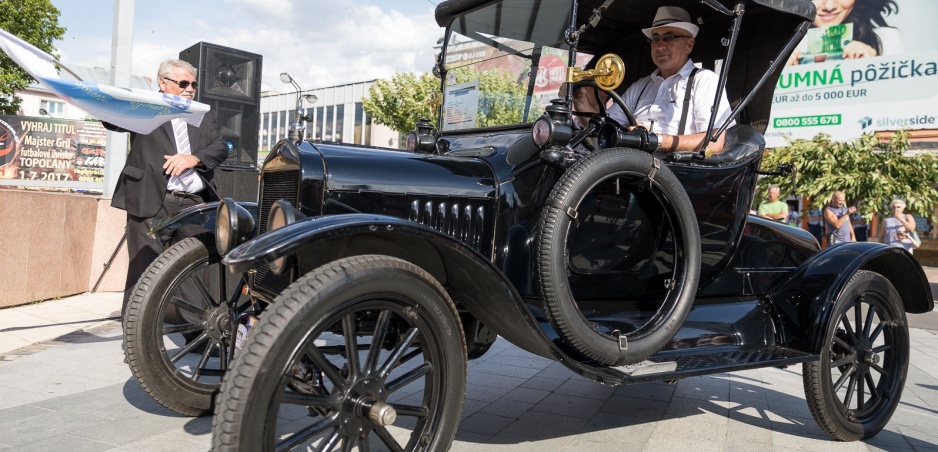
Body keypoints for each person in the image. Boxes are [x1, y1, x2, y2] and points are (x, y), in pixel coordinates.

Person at [104, 59, 228, 321]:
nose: (190, 89)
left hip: (195, 202)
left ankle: (199, 333)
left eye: (193, 84)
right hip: (150, 199)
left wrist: (192, 158)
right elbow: (112, 121)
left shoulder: (203, 112)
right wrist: (93, 100)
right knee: (145, 271)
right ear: (163, 83)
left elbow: (220, 147)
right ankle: (137, 337)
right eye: (183, 83)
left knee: (195, 271)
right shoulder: (146, 108)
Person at [573, 6, 735, 154]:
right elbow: (605, 131)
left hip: (675, 175)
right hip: (629, 169)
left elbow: (714, 142)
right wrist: (580, 99)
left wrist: (654, 140)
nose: (659, 46)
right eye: (655, 38)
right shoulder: (641, 86)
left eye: (669, 37)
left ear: (689, 45)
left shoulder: (704, 80)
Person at [787, 0, 903, 65]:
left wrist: (873, 68)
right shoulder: (783, 46)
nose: (829, 6)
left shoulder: (886, 40)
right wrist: (777, 78)